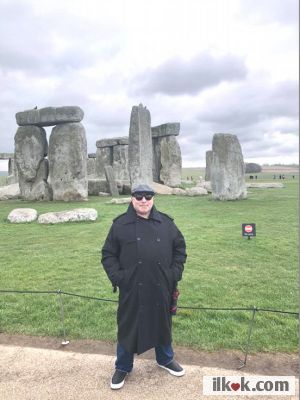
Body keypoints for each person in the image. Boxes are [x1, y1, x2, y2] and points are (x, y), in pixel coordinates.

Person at [101, 183, 187, 390]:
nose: (143, 200)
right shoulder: (120, 225)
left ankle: (165, 359)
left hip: (161, 285)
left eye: (148, 196)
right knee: (128, 325)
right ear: (132, 199)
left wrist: (174, 273)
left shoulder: (166, 223)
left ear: (153, 199)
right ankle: (123, 366)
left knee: (162, 322)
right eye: (139, 196)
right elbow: (108, 254)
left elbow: (180, 249)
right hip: (132, 287)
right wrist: (120, 278)